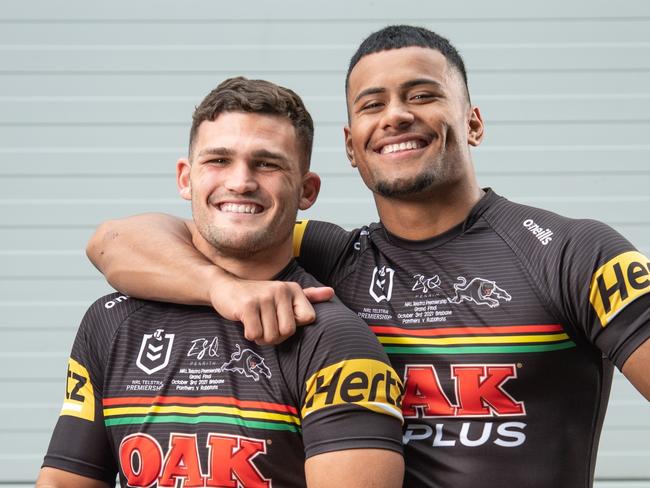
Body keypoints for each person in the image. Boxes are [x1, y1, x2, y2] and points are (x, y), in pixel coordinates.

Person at [86, 26, 650, 487]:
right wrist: (220, 287)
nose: (396, 115)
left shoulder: (572, 252)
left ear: (473, 122)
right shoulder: (333, 254)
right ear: (352, 146)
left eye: (422, 95)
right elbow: (114, 242)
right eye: (372, 104)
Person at [37, 77, 406, 488]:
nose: (241, 181)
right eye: (218, 160)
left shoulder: (333, 338)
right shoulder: (110, 322)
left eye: (267, 163)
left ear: (306, 190)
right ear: (185, 178)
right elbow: (63, 481)